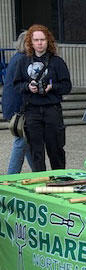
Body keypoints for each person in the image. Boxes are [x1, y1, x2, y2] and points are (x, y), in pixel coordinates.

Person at [13, 24, 71, 172]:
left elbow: (67, 86)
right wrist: (28, 87)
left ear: (48, 41)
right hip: (31, 111)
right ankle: (40, 180)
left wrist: (53, 87)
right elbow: (16, 85)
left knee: (56, 149)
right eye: (36, 40)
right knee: (36, 151)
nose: (39, 43)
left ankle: (59, 179)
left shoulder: (57, 62)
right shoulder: (23, 62)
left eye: (42, 40)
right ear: (30, 42)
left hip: (52, 109)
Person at [3, 31, 34, 174]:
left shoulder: (17, 58)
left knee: (26, 143)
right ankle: (11, 176)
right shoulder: (23, 60)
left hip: (13, 107)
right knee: (21, 142)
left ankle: (38, 171)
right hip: (20, 109)